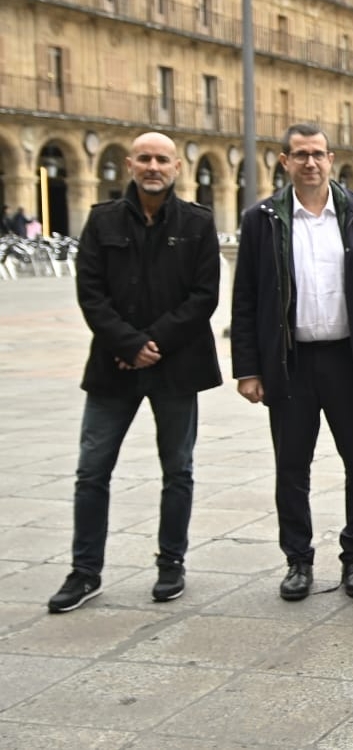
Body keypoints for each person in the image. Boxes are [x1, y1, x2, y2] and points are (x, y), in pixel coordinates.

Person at [47, 132, 220, 612]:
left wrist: (152, 343)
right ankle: (85, 572)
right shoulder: (102, 220)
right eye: (144, 158)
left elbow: (204, 296)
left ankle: (171, 563)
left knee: (178, 470)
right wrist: (128, 343)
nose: (153, 166)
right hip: (114, 366)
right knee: (92, 471)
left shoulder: (197, 223)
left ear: (177, 168)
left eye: (162, 159)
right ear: (129, 164)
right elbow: (91, 293)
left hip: (175, 366)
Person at [231, 124, 353, 602]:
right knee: (291, 466)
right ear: (283, 161)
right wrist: (248, 367)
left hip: (349, 359)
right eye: (299, 155)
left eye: (317, 154)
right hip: (291, 360)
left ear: (331, 157)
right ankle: (297, 559)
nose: (310, 163)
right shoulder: (262, 218)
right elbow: (246, 297)